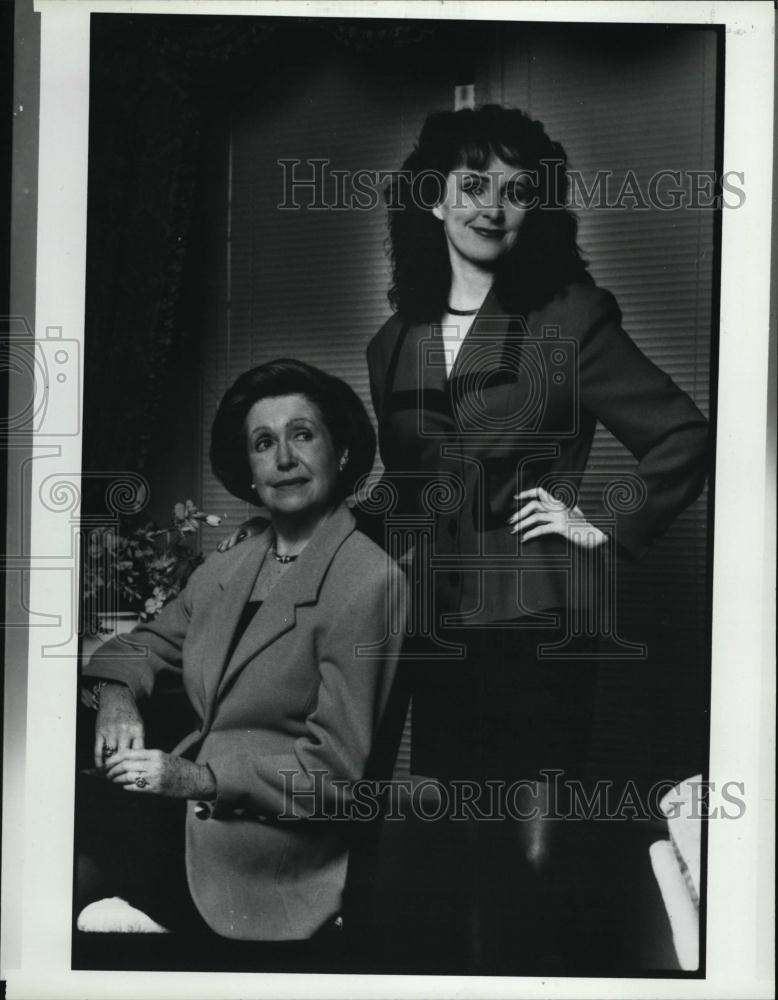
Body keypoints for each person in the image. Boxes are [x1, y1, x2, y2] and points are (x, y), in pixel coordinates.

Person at [223, 106, 710, 973]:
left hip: (535, 619)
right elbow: (406, 492)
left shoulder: (573, 317)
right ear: (434, 199)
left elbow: (681, 434)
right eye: (474, 183)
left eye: (520, 190)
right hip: (425, 620)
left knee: (521, 854)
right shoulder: (394, 340)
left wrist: (598, 522)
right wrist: (288, 535)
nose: (494, 205)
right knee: (438, 843)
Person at [76, 358, 406, 965]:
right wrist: (117, 699)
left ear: (340, 453)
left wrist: (199, 779)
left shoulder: (368, 581)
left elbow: (335, 776)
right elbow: (141, 644)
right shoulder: (231, 563)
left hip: (264, 855)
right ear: (249, 471)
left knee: (73, 869)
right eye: (263, 443)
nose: (283, 458)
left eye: (302, 434)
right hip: (179, 819)